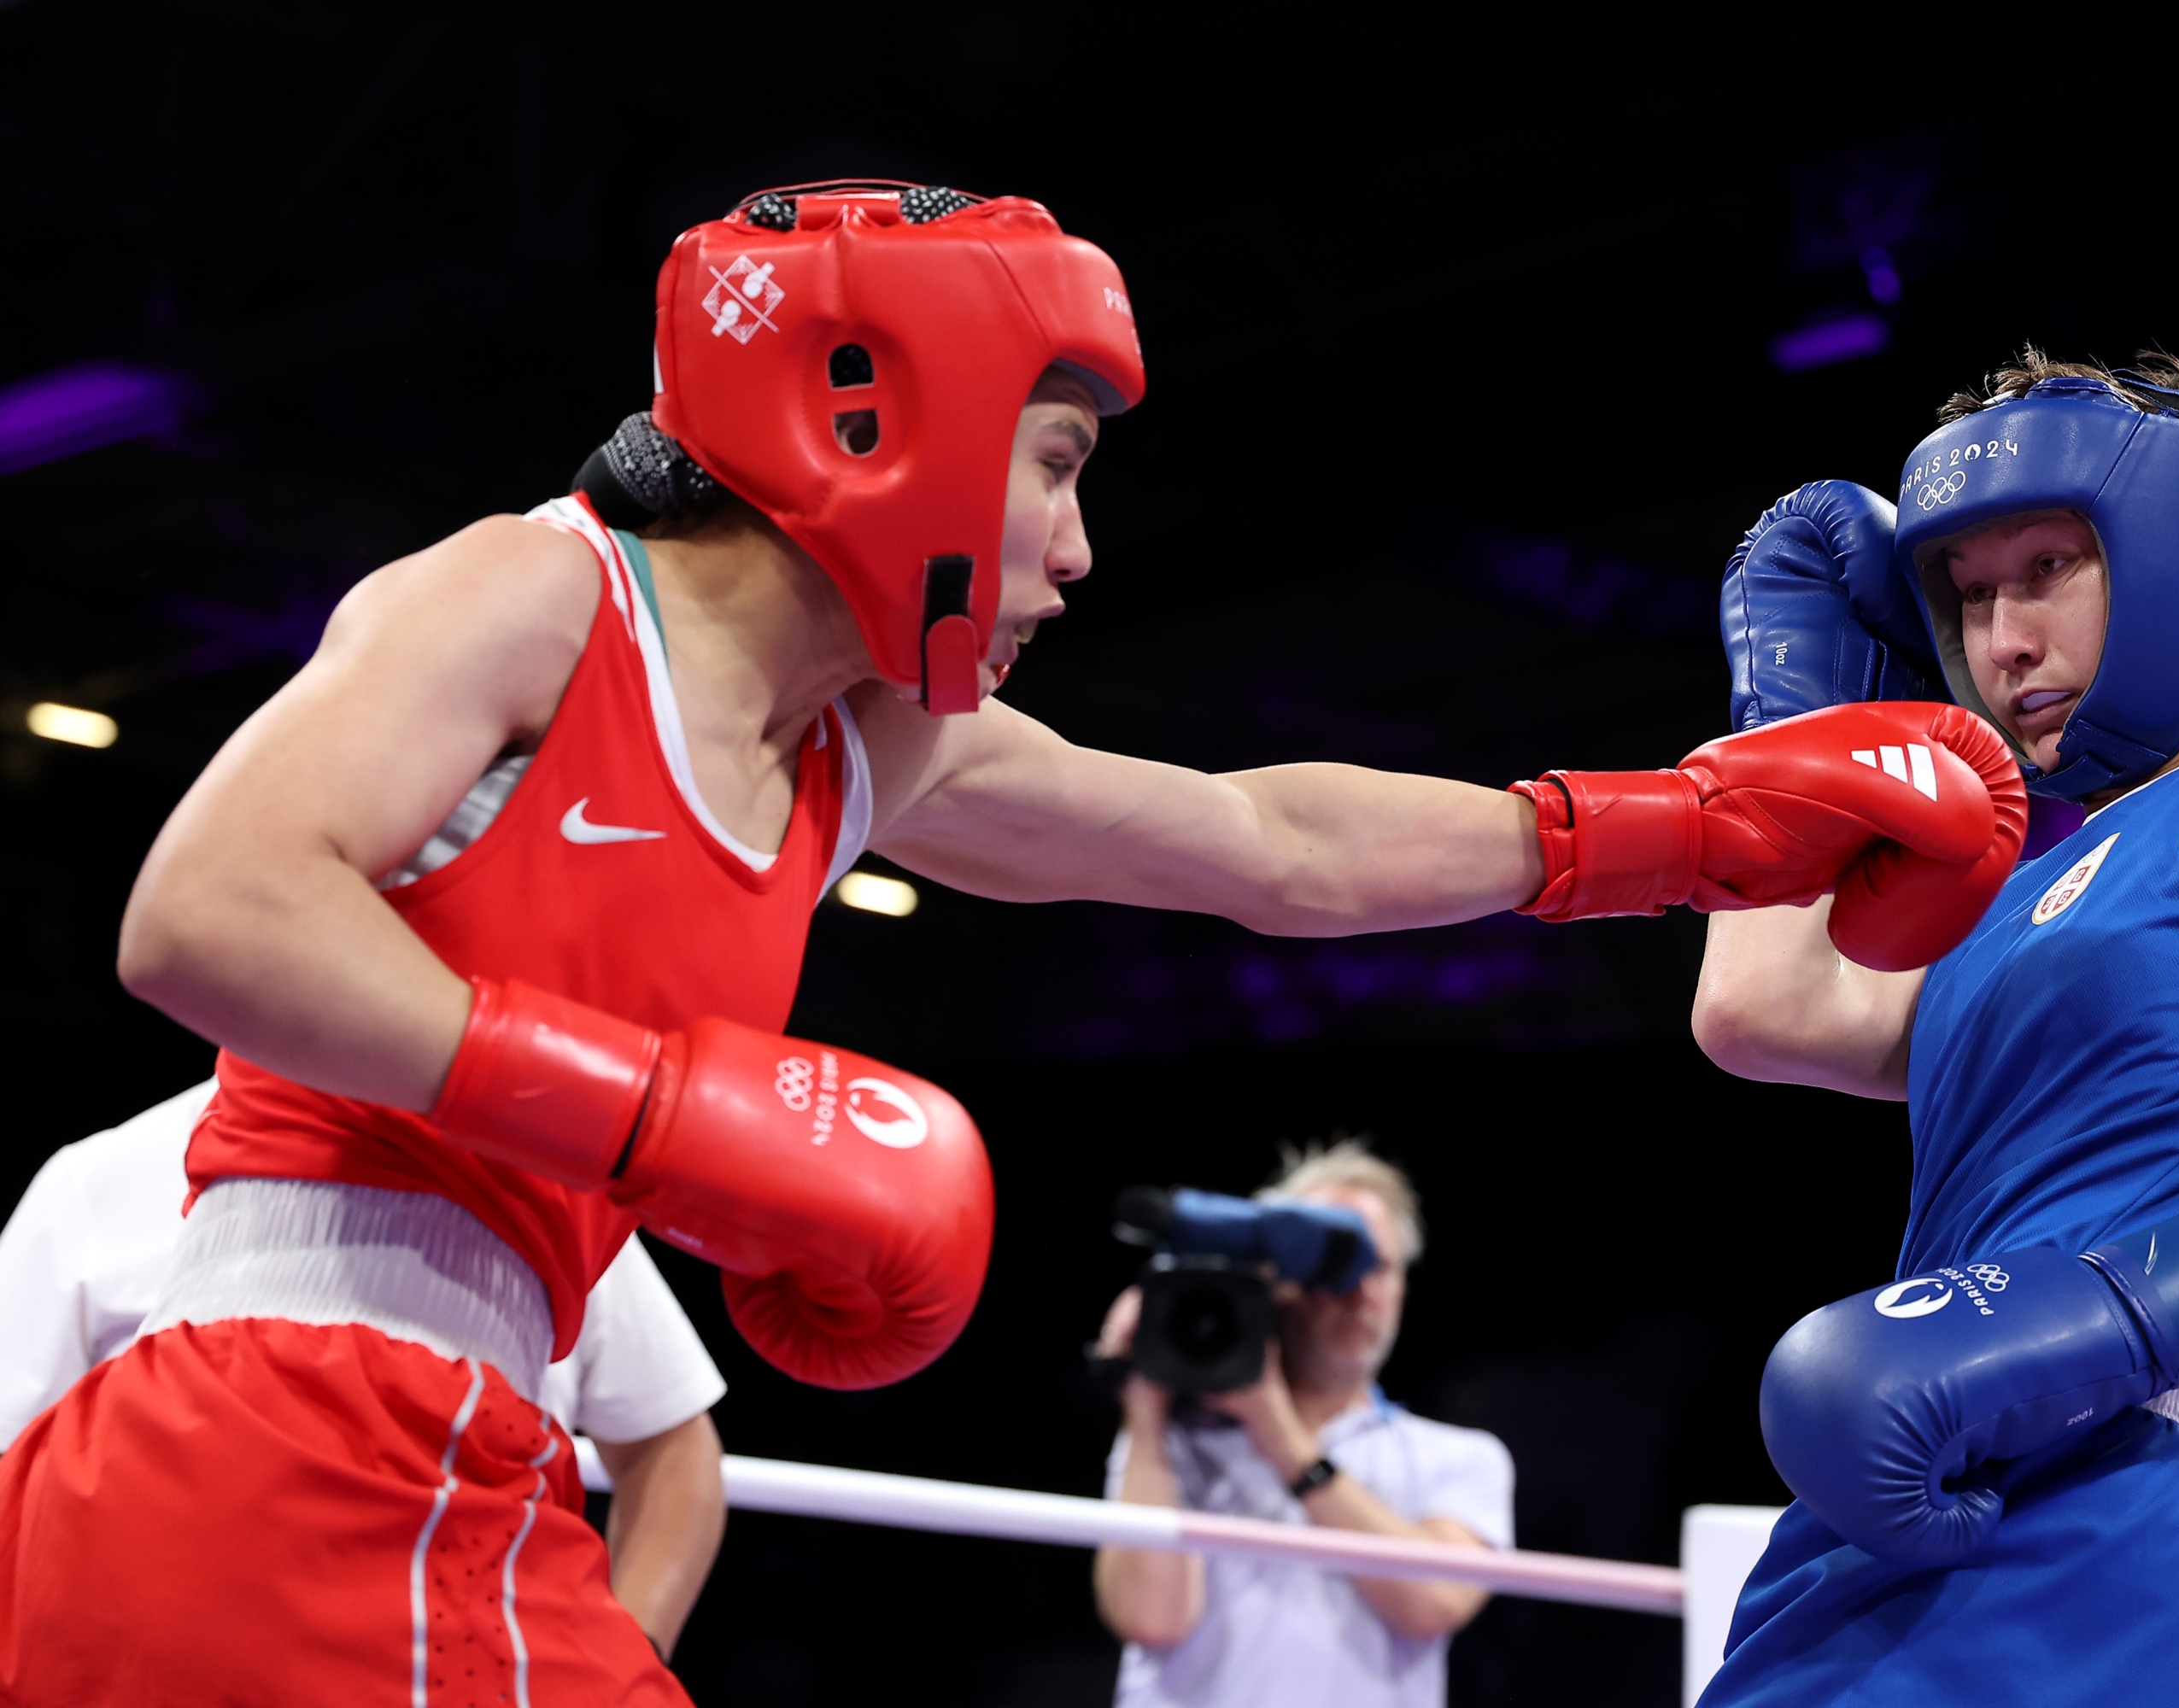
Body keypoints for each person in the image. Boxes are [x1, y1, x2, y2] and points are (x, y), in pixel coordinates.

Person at [0, 180, 2020, 1705]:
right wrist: (657, 1117)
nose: (1073, 548)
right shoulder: (527, 599)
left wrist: (1683, 828)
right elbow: (208, 908)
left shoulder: (854, 748)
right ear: (873, 415)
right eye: (1053, 463)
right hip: (295, 1435)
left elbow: (1266, 843)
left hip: (417, 1444)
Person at [1692, 350, 2179, 1705]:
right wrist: (1795, 725)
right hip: (1889, 1499)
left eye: (2046, 568)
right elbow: (1758, 1009)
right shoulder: (2006, 892)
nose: (2001, 639)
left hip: (2118, 1500)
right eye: (1968, 592)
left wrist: (2074, 1320)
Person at [0, 1080, 728, 1660]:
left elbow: (674, 1447)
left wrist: (635, 1645)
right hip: (166, 1655)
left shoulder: (527, 1188)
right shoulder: (97, 1185)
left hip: (466, 1640)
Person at [1093, 1142, 1508, 1708]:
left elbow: (1433, 1603)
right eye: (1333, 1265)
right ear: (1274, 1281)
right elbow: (1150, 1619)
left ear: (1402, 1286)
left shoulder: (1460, 1459)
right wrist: (1143, 1406)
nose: (1359, 1291)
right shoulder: (1172, 1443)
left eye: (1377, 1267)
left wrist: (1279, 1436)